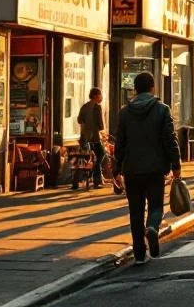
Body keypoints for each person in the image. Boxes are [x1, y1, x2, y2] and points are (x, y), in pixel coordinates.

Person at [113, 72, 181, 265]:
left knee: (135, 212)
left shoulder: (124, 112)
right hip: (156, 169)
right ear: (152, 87)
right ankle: (152, 227)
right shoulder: (162, 109)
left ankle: (139, 254)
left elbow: (120, 142)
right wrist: (175, 164)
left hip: (132, 169)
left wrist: (116, 169)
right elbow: (170, 140)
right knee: (156, 206)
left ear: (135, 88)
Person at [74, 88, 105, 190]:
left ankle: (95, 177)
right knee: (101, 154)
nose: (101, 97)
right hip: (94, 138)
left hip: (84, 139)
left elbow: (79, 120)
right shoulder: (97, 107)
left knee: (92, 157)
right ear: (96, 96)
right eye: (100, 95)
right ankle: (97, 179)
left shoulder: (84, 106)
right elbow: (101, 126)